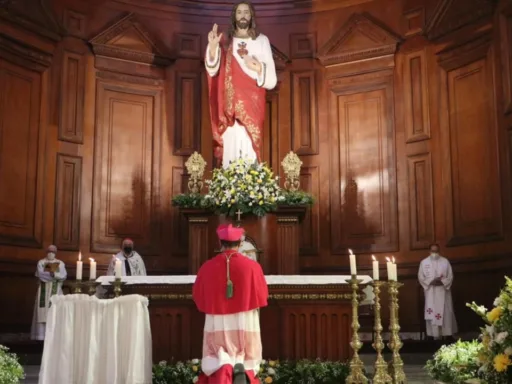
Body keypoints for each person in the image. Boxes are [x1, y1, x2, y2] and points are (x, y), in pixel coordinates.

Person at [205, 1, 277, 168]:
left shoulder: (261, 40)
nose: (243, 15)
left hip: (253, 102)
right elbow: (212, 69)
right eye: (239, 12)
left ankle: (252, 185)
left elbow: (272, 80)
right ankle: (229, 184)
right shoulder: (225, 41)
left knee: (248, 142)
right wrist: (213, 47)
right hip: (229, 105)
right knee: (231, 140)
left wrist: (258, 67)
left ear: (251, 15)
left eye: (246, 11)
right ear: (234, 16)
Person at [193, 223, 268, 384]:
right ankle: (242, 367)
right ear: (240, 244)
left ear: (220, 243)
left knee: (218, 348)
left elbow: (197, 294)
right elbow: (262, 294)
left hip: (217, 317)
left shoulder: (207, 267)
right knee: (245, 347)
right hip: (244, 317)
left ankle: (223, 365)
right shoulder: (253, 267)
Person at [418, 243, 458, 340]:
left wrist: (442, 282)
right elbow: (421, 277)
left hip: (443, 291)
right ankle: (432, 335)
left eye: (436, 251)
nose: (434, 253)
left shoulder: (445, 262)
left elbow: (450, 276)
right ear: (429, 251)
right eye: (432, 251)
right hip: (430, 292)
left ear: (439, 251)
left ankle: (447, 334)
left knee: (445, 312)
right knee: (432, 312)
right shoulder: (424, 263)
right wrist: (431, 282)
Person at [30, 245, 67, 340]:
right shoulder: (41, 262)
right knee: (42, 311)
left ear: (56, 252)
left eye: (53, 251)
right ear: (46, 252)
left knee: (55, 310)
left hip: (55, 289)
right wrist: (52, 276)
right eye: (49, 251)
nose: (51, 253)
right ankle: (41, 336)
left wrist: (53, 274)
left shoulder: (60, 263)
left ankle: (55, 335)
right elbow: (41, 275)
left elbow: (63, 275)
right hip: (43, 289)